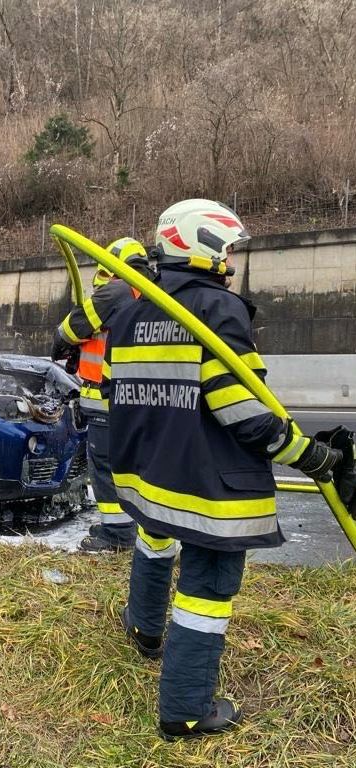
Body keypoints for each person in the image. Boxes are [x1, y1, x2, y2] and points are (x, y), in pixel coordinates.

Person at [102, 198, 356, 740]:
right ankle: (186, 709)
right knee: (207, 589)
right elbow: (244, 410)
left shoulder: (129, 313)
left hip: (151, 475)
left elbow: (116, 393)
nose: (233, 257)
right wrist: (307, 454)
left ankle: (146, 629)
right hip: (208, 486)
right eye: (229, 246)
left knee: (154, 541)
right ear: (204, 243)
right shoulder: (217, 312)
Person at [51, 237, 155, 552]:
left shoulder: (118, 289)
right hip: (138, 400)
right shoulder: (150, 293)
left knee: (106, 468)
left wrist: (65, 343)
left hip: (106, 401)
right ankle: (129, 526)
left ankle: (117, 535)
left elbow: (70, 329)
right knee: (132, 470)